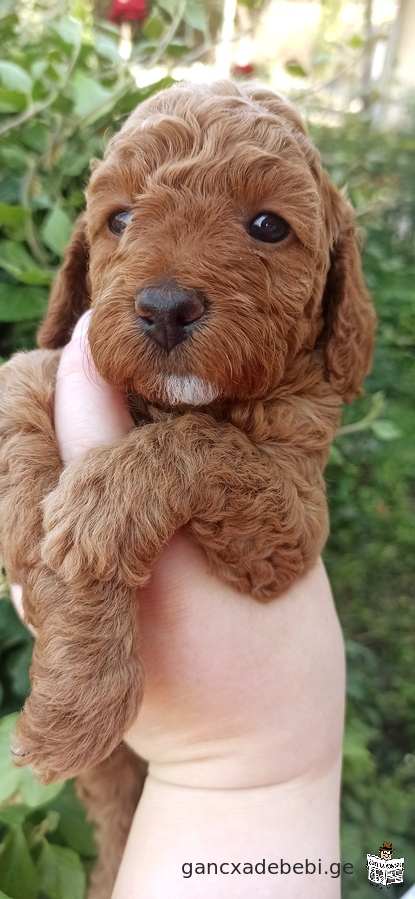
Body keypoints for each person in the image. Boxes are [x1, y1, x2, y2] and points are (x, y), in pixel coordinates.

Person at [13, 312, 346, 898]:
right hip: (133, 759)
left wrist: (166, 466)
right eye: (121, 220)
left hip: (218, 777)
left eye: (266, 228)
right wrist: (76, 610)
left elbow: (289, 534)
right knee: (114, 827)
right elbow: (20, 395)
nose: (169, 294)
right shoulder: (65, 365)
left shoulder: (296, 392)